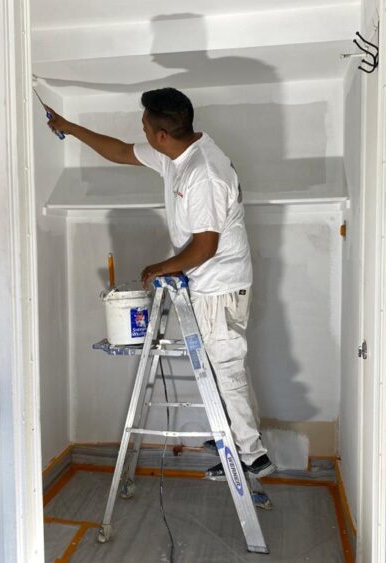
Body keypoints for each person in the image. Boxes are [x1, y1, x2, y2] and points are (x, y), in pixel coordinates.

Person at [44, 87, 275, 480]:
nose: (142, 132)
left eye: (145, 127)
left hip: (219, 286)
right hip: (211, 283)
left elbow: (205, 246)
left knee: (227, 369)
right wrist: (69, 126)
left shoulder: (203, 173)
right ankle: (241, 439)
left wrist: (159, 267)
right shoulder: (177, 154)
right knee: (226, 367)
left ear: (162, 135)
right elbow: (119, 151)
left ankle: (252, 456)